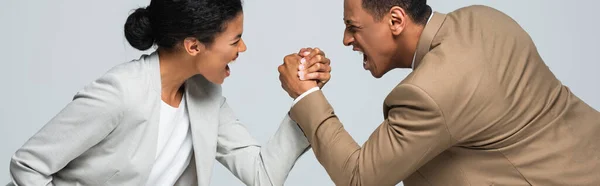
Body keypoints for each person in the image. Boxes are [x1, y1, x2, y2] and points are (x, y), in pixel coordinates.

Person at [8, 0, 332, 185]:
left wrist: (306, 96)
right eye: (235, 40)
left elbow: (263, 174)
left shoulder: (206, 96)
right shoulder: (123, 92)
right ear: (193, 46)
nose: (243, 48)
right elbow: (28, 165)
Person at [277, 0, 600, 185]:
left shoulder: (427, 94)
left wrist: (306, 95)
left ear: (395, 20)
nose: (346, 39)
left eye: (353, 27)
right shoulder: (484, 19)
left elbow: (359, 177)